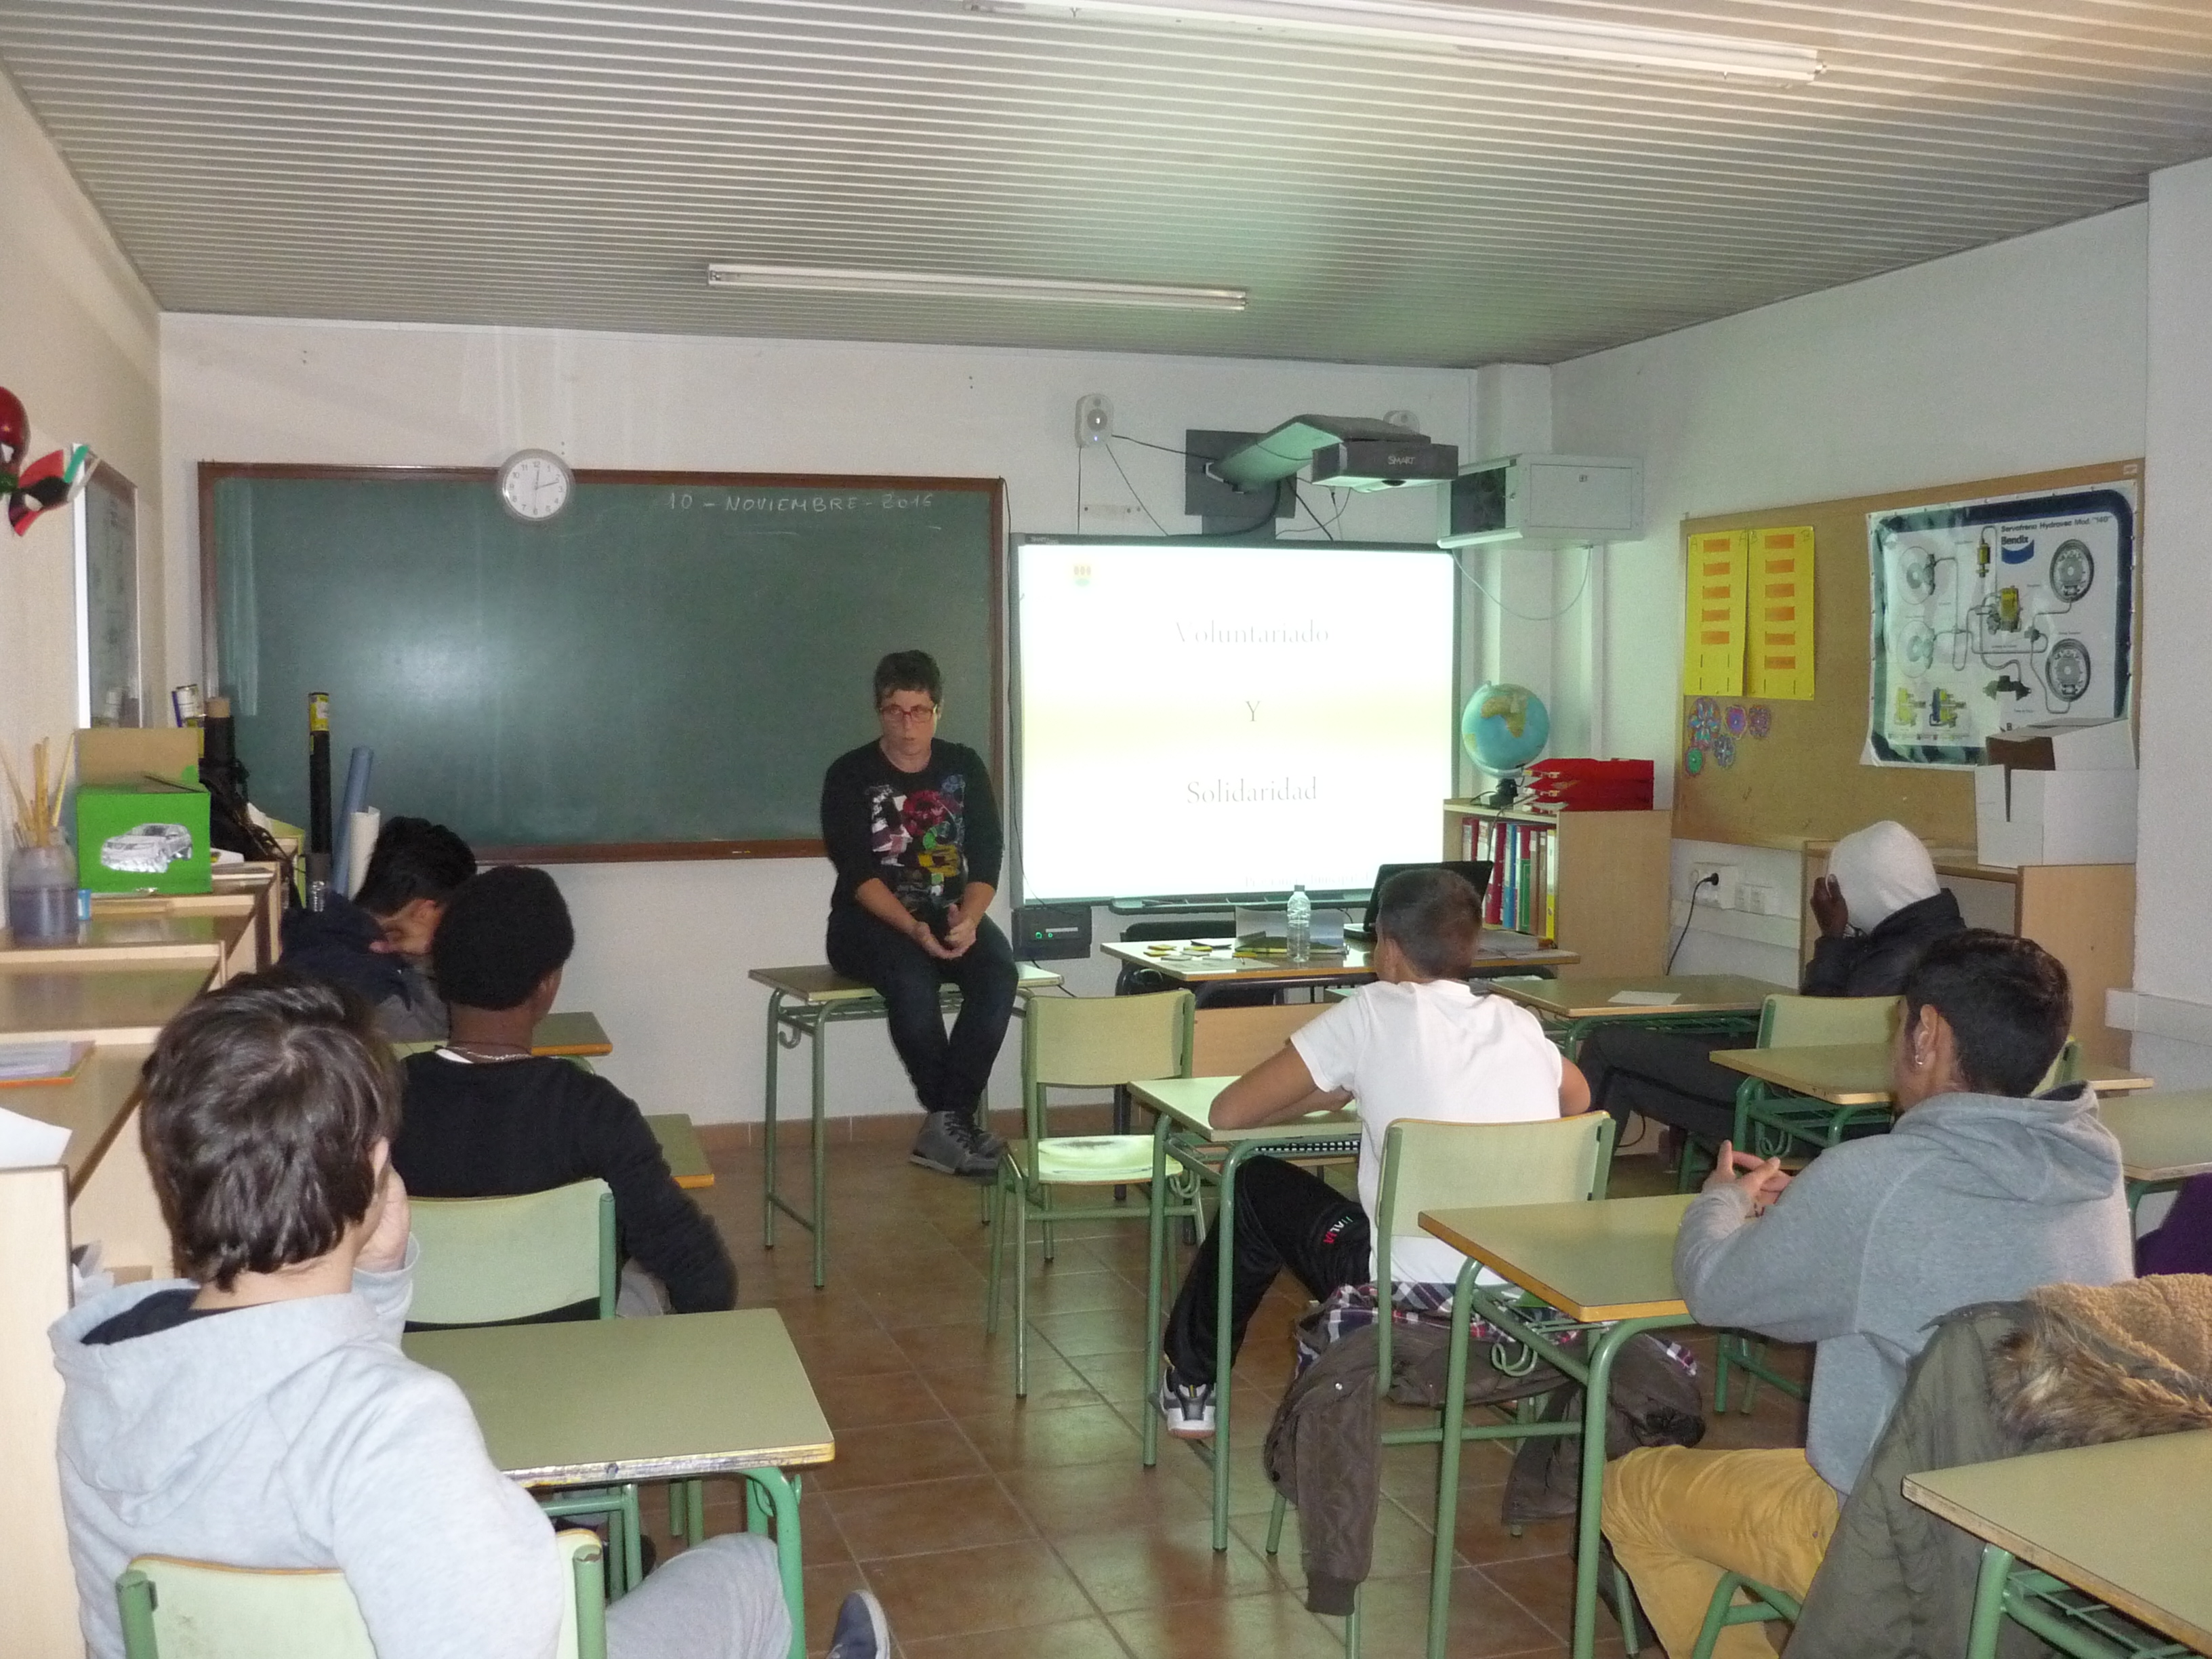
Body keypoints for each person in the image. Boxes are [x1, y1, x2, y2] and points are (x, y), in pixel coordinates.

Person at [49, 970, 887, 1659]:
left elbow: (300, 1381)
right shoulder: (403, 1427)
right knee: (749, 1571)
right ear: (378, 1168)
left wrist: (378, 1285)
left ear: (170, 1167)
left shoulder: (101, 1380)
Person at [1600, 930, 2133, 1659]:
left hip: (1895, 1552)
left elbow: (1714, 1289)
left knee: (1632, 1491)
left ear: (1927, 1035)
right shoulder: (2096, 1173)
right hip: (2053, 1551)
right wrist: (1821, 1209)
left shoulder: (1871, 1181)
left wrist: (1719, 1201)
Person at [1155, 866, 1592, 1438]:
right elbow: (1579, 1100)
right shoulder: (1519, 1022)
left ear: (1388, 946)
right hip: (1523, 1286)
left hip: (1404, 1288)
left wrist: (1335, 1090)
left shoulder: (1369, 1012)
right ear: (1473, 947)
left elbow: (1229, 1113)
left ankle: (1192, 1382)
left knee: (1254, 1181)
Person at [393, 864, 736, 1317]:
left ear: (438, 973)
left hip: (413, 1349)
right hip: (572, 1348)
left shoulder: (375, 1101)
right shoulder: (596, 1113)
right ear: (547, 985)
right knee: (641, 1289)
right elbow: (705, 1281)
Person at [1578, 819, 1965, 1151]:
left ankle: (1569, 1184)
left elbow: (1815, 1044)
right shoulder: (1946, 939)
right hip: (1824, 1109)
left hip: (1796, 1118)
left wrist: (1832, 938)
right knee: (1678, 1044)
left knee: (1608, 1047)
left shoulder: (1898, 960)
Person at [819, 649, 1017, 1179]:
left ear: (938, 711)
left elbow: (988, 853)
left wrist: (969, 919)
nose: (908, 725)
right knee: (911, 980)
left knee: (999, 973)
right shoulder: (850, 774)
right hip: (868, 922)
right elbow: (857, 872)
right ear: (879, 711)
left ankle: (947, 1124)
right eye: (896, 711)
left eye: (920, 711)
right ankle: (953, 1122)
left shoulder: (963, 765)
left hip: (947, 911)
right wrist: (912, 928)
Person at [280, 815, 476, 1040]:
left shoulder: (323, 925)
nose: (454, 929)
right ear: (425, 912)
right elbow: (457, 1037)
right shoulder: (369, 981)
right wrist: (439, 961)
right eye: (451, 916)